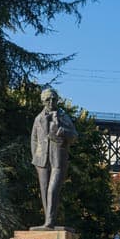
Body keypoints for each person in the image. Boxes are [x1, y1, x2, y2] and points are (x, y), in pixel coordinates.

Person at [30, 88, 77, 229]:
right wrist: (35, 156)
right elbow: (34, 139)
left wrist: (63, 131)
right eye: (48, 99)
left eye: (53, 99)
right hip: (41, 160)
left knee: (52, 190)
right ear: (43, 101)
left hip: (58, 158)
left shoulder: (63, 116)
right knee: (44, 190)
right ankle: (48, 221)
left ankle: (49, 221)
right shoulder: (38, 118)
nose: (51, 102)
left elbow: (74, 135)